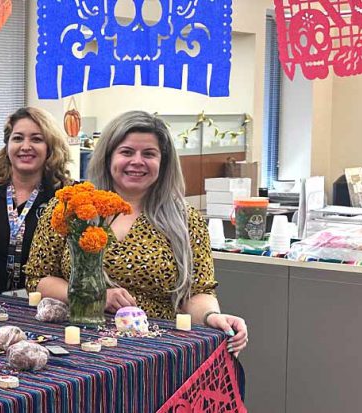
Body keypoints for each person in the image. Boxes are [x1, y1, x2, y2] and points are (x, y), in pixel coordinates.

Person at [23, 111, 249, 355]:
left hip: (156, 352)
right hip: (79, 346)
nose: (137, 161)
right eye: (127, 152)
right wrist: (96, 295)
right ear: (108, 158)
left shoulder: (186, 220)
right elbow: (38, 279)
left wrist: (211, 316)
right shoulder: (72, 207)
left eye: (149, 154)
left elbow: (197, 292)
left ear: (163, 163)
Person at [0, 107, 73, 293]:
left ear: (50, 147)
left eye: (37, 139)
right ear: (7, 145)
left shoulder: (68, 196)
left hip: (47, 308)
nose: (25, 146)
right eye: (18, 138)